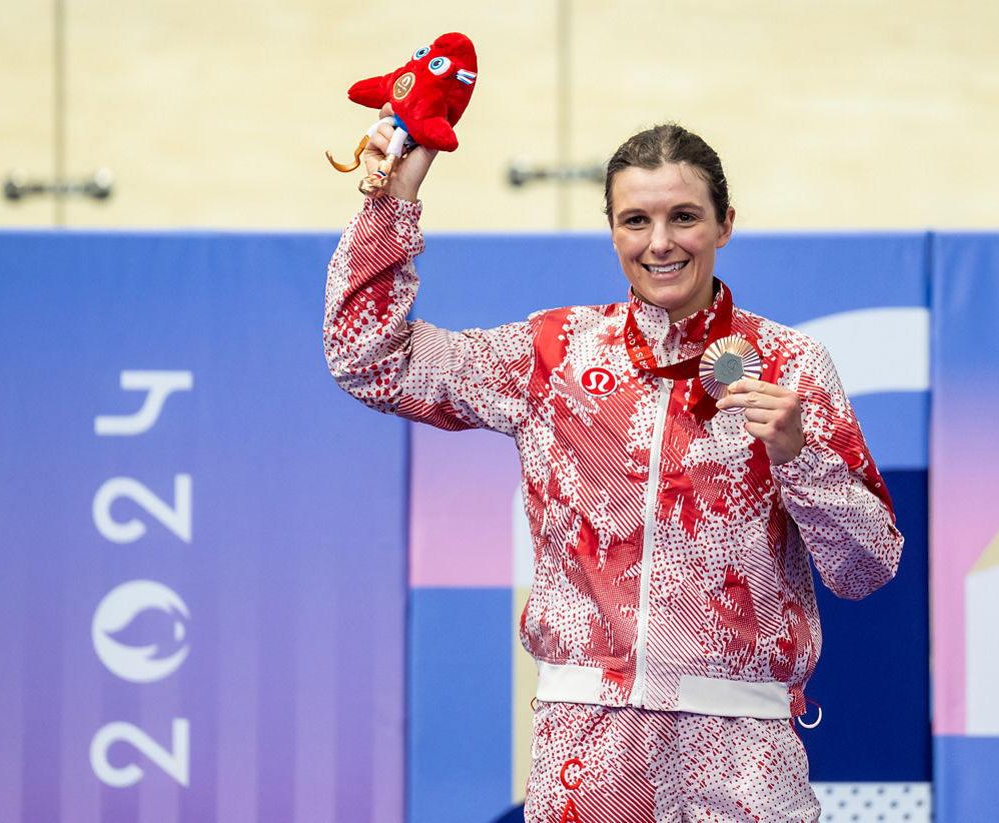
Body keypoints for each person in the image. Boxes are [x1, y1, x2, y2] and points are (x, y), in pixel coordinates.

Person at [324, 110, 904, 823]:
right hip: (589, 751)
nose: (660, 243)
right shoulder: (554, 352)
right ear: (611, 230)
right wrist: (394, 202)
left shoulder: (790, 365)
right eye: (635, 220)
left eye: (684, 216)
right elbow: (370, 361)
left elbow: (866, 568)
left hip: (745, 754)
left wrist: (797, 456)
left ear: (725, 225)